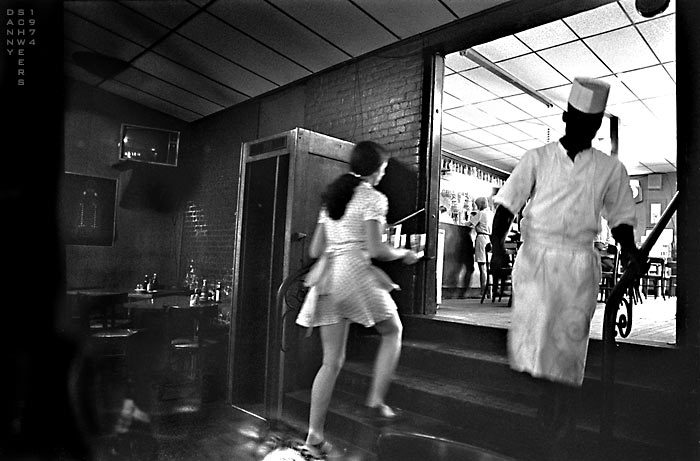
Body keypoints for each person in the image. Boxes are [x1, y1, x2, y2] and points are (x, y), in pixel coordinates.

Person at [488, 77, 645, 458]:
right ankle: (548, 400)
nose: (584, 129)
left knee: (569, 344)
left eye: (591, 124)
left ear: (597, 127)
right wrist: (496, 247)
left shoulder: (610, 169)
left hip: (577, 264)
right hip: (537, 260)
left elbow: (622, 218)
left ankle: (562, 416)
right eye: (578, 120)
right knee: (537, 340)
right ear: (565, 116)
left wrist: (631, 250)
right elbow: (508, 205)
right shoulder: (537, 158)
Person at [295, 141, 420, 459]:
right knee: (392, 331)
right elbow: (378, 250)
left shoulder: (333, 198)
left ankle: (314, 435)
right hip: (353, 274)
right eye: (383, 169)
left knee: (331, 361)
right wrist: (404, 253)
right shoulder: (373, 198)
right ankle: (376, 402)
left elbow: (315, 250)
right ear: (376, 169)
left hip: (327, 277)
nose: (383, 174)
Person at [467, 196, 494, 298]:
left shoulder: (481, 214)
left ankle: (482, 291)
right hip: (489, 239)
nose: (476, 206)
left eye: (477, 204)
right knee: (488, 267)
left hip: (481, 239)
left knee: (482, 267)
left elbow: (470, 224)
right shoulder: (491, 214)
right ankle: (490, 292)